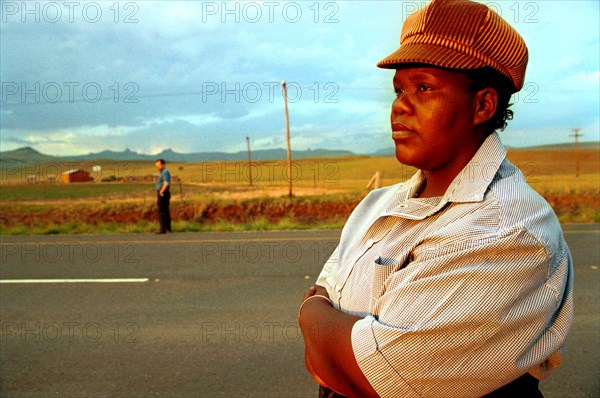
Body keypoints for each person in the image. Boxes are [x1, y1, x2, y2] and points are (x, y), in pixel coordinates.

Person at [298, 0, 573, 397]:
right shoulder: (379, 204)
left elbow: (374, 375)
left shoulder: (508, 228)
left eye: (424, 87)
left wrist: (311, 315)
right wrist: (333, 334)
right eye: (398, 89)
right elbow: (331, 313)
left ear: (483, 104)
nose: (399, 106)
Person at [154, 158, 171, 234]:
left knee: (161, 211)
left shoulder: (165, 172)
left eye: (158, 165)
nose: (157, 167)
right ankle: (167, 229)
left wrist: (161, 191)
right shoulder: (162, 172)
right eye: (156, 165)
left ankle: (163, 229)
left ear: (163, 164)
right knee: (165, 211)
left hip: (163, 193)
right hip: (163, 193)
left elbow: (166, 183)